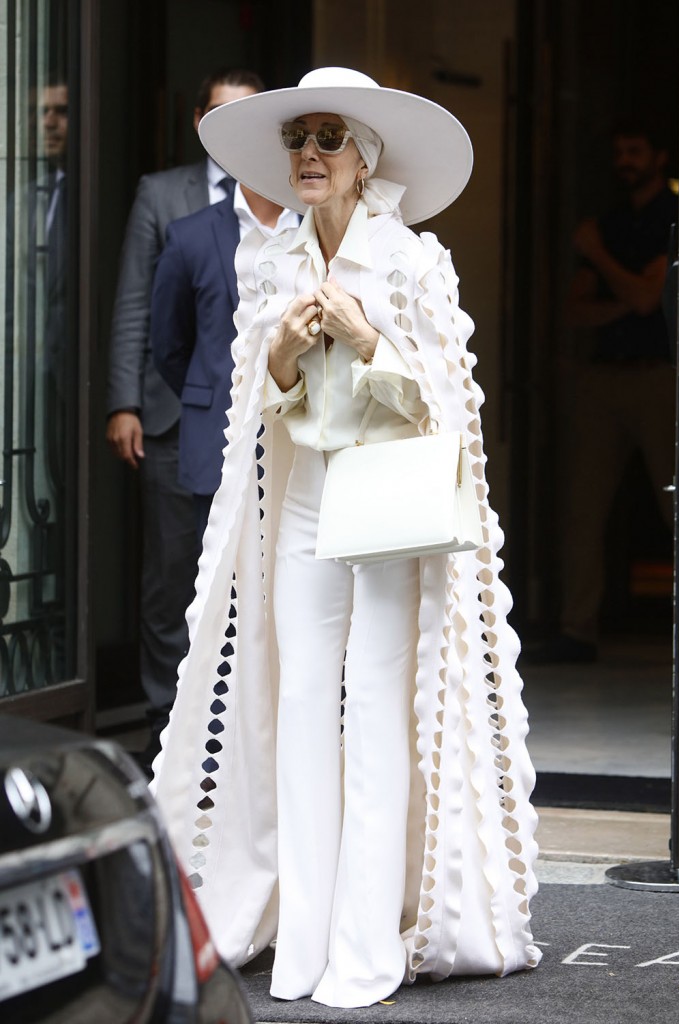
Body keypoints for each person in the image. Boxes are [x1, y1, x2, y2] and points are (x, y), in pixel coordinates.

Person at [150, 67, 540, 1008]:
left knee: (373, 716)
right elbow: (261, 400)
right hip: (307, 501)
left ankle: (365, 947)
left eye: (328, 139)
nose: (309, 155)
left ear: (364, 162)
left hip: (389, 503)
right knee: (298, 718)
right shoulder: (270, 260)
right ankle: (304, 944)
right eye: (298, 140)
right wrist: (284, 347)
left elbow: (441, 408)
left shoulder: (412, 262)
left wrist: (367, 338)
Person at [105, 68, 265, 772]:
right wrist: (127, 401)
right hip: (175, 420)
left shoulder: (291, 204)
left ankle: (234, 734)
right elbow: (140, 307)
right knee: (172, 581)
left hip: (265, 426)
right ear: (199, 120)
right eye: (220, 117)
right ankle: (164, 726)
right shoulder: (162, 194)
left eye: (247, 118)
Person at [529, 122, 678, 663]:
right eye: (619, 151)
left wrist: (603, 260)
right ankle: (578, 629)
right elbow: (576, 309)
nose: (626, 160)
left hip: (660, 374)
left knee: (673, 501)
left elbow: (646, 299)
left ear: (658, 156)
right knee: (583, 508)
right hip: (603, 376)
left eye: (635, 149)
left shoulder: (670, 215)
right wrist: (630, 291)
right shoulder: (610, 220)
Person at [150, 181, 300, 541]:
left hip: (303, 440)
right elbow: (168, 346)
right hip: (218, 435)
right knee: (224, 586)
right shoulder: (190, 236)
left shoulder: (320, 227)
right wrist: (218, 388)